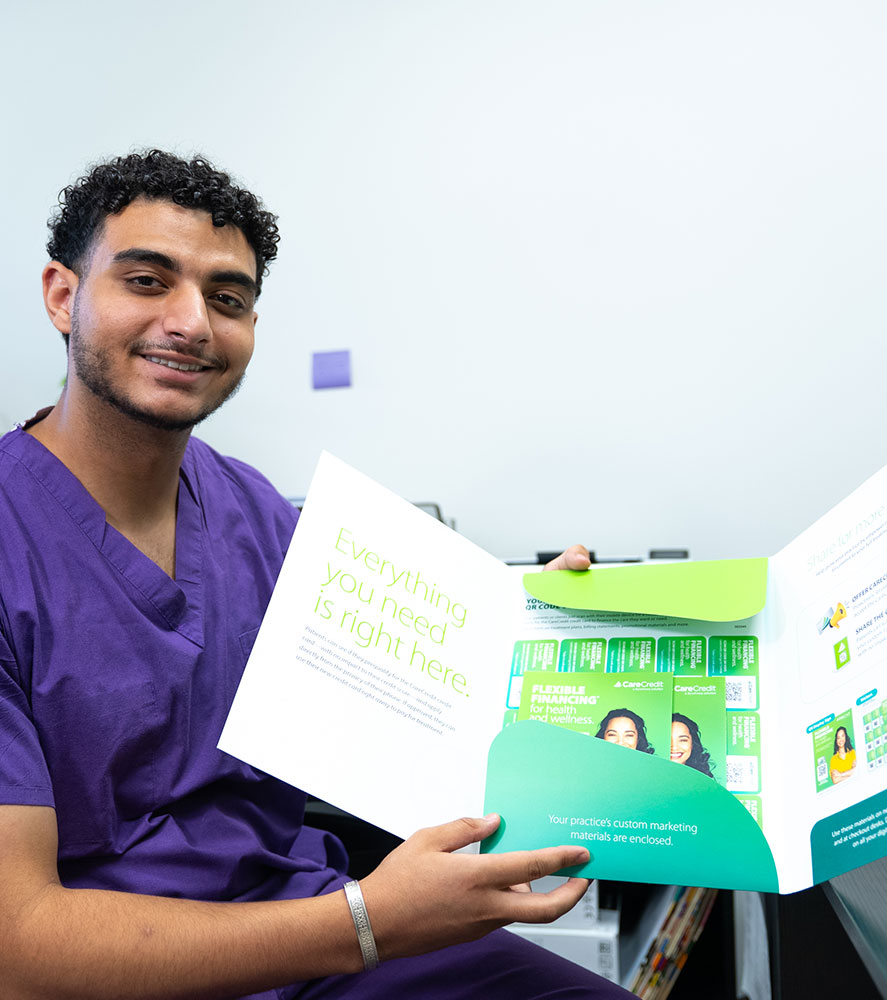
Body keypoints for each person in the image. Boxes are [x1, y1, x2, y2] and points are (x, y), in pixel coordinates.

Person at [0, 150, 631, 999]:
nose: (191, 322)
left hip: (305, 930)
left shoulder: (252, 509)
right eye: (148, 281)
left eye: (228, 298)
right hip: (123, 968)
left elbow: (408, 666)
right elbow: (18, 945)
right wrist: (368, 921)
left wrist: (520, 623)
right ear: (63, 296)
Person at [670, 713, 716, 779]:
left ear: (692, 744)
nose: (674, 747)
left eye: (683, 740)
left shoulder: (702, 781)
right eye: (669, 739)